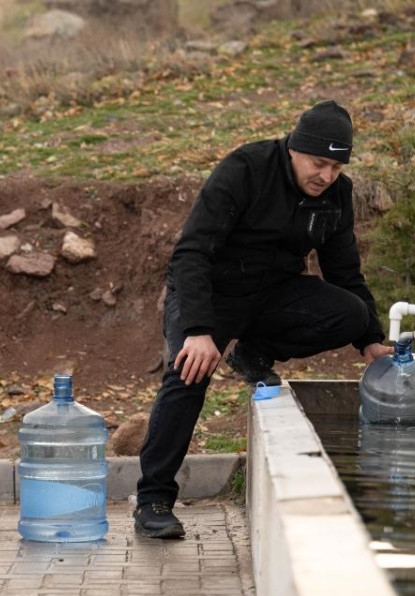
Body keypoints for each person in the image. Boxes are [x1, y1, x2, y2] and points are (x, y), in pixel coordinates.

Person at [133, 100, 393, 539]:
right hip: (210, 292)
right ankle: (153, 499)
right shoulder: (245, 168)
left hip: (273, 292)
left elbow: (345, 271)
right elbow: (192, 251)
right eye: (318, 163)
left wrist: (371, 339)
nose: (325, 176)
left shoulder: (336, 196)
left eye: (336, 167)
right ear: (294, 147)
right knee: (189, 373)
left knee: (350, 313)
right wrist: (197, 330)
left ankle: (254, 353)